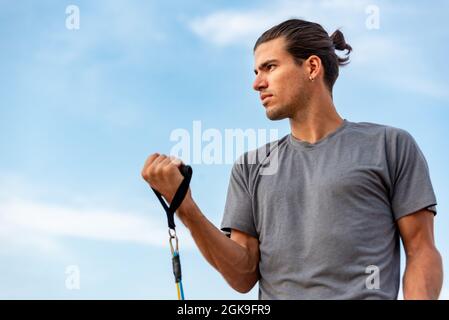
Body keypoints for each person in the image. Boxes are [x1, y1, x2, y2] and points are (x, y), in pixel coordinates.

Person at [141, 19, 442, 299]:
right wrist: (184, 206)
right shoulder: (250, 167)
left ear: (312, 67)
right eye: (256, 72)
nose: (257, 84)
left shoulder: (390, 146)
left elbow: (421, 251)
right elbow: (243, 275)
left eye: (269, 67)